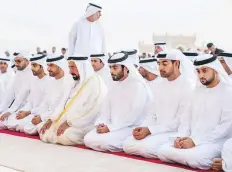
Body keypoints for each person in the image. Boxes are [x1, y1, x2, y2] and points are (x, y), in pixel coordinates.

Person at [157, 54, 232, 170]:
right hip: (192, 139)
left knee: (196, 158)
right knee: (162, 151)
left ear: (215, 70)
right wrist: (181, 137)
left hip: (216, 141)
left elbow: (225, 127)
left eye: (204, 71)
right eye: (198, 71)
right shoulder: (195, 92)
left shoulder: (228, 92)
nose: (201, 75)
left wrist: (195, 141)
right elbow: (185, 120)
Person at [123, 50, 195, 158]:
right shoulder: (160, 84)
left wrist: (150, 130)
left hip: (174, 132)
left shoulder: (187, 86)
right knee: (127, 144)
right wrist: (143, 127)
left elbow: (180, 121)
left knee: (145, 148)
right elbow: (152, 113)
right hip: (157, 130)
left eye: (164, 64)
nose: (160, 67)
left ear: (176, 64)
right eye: (159, 63)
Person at [84, 52, 153, 152]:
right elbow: (105, 109)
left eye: (115, 68)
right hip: (113, 126)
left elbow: (133, 116)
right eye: (110, 67)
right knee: (87, 138)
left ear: (125, 68)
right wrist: (102, 123)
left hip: (131, 127)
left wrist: (110, 128)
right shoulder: (114, 85)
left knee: (105, 141)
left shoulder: (137, 86)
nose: (111, 71)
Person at [39, 54, 107, 145]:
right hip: (67, 119)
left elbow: (92, 110)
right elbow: (63, 103)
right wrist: (51, 119)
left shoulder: (95, 82)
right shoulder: (72, 81)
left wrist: (69, 123)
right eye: (69, 67)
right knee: (44, 130)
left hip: (85, 123)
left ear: (82, 67)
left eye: (73, 67)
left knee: (64, 136)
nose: (70, 71)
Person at [22, 54, 73, 135]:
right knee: (27, 127)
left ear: (60, 66)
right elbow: (45, 103)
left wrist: (42, 118)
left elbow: (61, 107)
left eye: (51, 65)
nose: (48, 69)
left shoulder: (68, 82)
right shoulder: (50, 82)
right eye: (48, 65)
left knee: (44, 131)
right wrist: (39, 115)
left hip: (60, 117)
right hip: (48, 115)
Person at [6, 54, 49, 132]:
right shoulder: (34, 81)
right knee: (11, 121)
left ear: (42, 66)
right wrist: (23, 111)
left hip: (40, 113)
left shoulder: (49, 81)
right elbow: (30, 102)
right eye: (31, 65)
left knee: (24, 127)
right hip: (31, 112)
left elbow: (46, 106)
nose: (32, 68)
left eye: (34, 65)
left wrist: (28, 112)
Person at [0, 51, 33, 129]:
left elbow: (22, 95)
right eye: (15, 61)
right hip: (17, 107)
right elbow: (11, 94)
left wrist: (10, 111)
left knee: (17, 125)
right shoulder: (19, 73)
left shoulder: (31, 74)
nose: (16, 63)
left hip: (28, 108)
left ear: (27, 61)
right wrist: (2, 109)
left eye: (19, 61)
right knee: (2, 121)